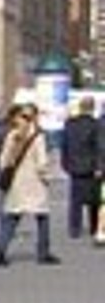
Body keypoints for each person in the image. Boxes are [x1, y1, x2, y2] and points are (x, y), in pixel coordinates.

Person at [0, 95, 58, 267]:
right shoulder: (37, 136)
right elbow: (42, 162)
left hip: (16, 184)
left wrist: (7, 171)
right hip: (34, 183)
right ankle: (43, 253)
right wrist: (46, 178)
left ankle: (0, 252)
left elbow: (3, 161)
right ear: (35, 117)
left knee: (11, 219)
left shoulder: (12, 135)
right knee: (42, 218)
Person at [60, 95, 99, 241]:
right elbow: (99, 147)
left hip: (74, 167)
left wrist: (65, 163)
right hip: (91, 167)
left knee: (75, 200)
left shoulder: (70, 124)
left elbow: (65, 145)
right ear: (92, 108)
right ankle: (94, 227)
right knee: (94, 201)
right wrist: (99, 166)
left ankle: (74, 228)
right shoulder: (96, 125)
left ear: (80, 108)